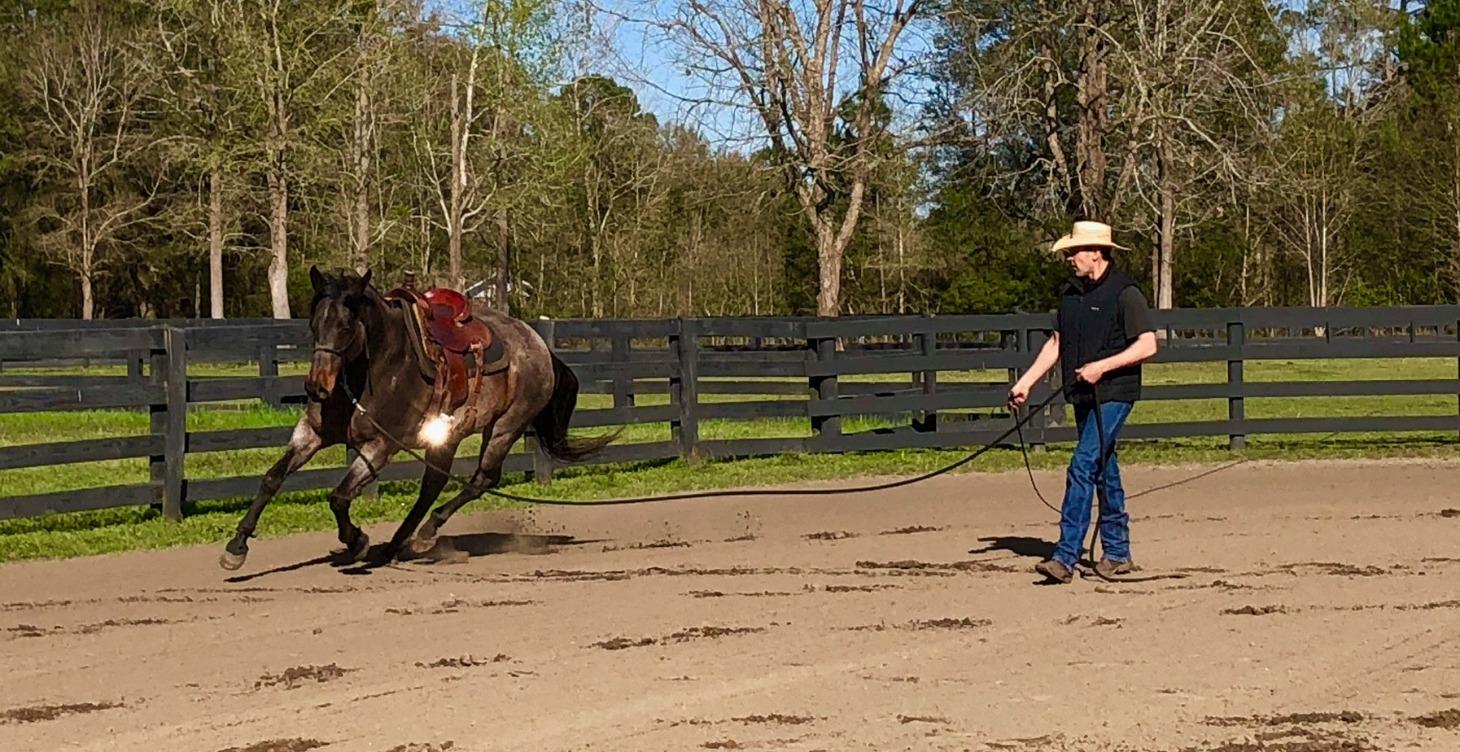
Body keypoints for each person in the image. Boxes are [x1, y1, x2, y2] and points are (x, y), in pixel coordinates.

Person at [1007, 220, 1159, 584]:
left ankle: (1065, 555)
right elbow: (1057, 344)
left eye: (1074, 252)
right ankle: (1118, 552)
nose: (1070, 258)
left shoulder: (1126, 293)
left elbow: (1148, 344)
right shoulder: (1071, 294)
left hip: (1114, 394)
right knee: (1104, 468)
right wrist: (1026, 383)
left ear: (1096, 253)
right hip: (1082, 395)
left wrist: (1102, 367)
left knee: (1082, 465)